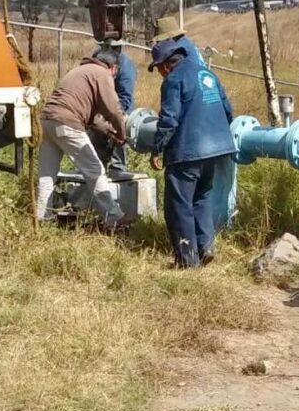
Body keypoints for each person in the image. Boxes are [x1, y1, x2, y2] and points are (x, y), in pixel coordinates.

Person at [148, 39, 236, 268]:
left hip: (188, 151)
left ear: (166, 65)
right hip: (217, 149)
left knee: (179, 205)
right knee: (201, 197)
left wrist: (157, 148)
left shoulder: (174, 79)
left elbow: (169, 119)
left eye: (158, 68)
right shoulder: (207, 74)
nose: (159, 73)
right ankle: (205, 247)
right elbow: (227, 110)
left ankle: (187, 261)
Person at [37, 49, 127, 227]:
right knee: (95, 170)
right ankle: (114, 218)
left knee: (47, 175)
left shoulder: (80, 70)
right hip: (67, 122)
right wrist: (122, 133)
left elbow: (92, 118)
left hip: (46, 121)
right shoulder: (102, 74)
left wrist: (111, 132)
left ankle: (42, 218)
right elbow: (113, 109)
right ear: (113, 68)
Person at [88, 39, 137, 177]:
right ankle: (97, 171)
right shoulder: (97, 58)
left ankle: (117, 169)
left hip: (118, 109)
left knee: (118, 139)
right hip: (100, 109)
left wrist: (112, 117)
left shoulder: (126, 66)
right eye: (105, 47)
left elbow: (125, 98)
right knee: (96, 140)